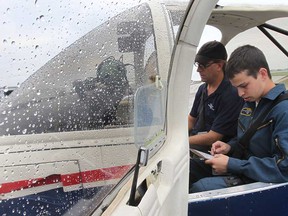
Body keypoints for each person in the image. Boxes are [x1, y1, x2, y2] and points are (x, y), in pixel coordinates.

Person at [189, 44, 288, 193]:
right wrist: (229, 146)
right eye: (236, 88)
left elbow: (284, 167)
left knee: (200, 188)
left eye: (244, 86)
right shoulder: (250, 103)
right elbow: (247, 138)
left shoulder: (283, 111)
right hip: (240, 165)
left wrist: (232, 165)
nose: (240, 93)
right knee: (189, 168)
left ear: (262, 74)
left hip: (257, 178)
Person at [189, 41, 243, 152]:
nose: (199, 70)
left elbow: (213, 137)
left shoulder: (231, 94)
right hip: (196, 145)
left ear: (219, 66)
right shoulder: (202, 89)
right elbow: (191, 119)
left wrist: (183, 141)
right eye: (198, 65)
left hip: (215, 152)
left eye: (203, 65)